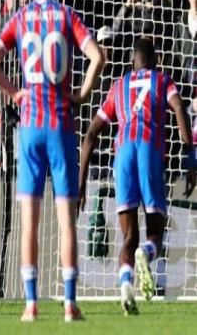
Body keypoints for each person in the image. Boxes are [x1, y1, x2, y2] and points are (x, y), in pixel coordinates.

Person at [0, 0, 104, 322]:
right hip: (61, 125)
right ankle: (69, 303)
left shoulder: (21, 18)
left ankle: (31, 303)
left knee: (29, 222)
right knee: (66, 220)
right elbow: (97, 57)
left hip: (31, 126)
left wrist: (14, 92)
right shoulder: (67, 16)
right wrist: (81, 94)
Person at [79, 39, 195, 315]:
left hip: (122, 155)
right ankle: (147, 252)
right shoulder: (162, 80)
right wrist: (190, 159)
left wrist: (80, 183)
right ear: (155, 62)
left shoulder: (118, 86)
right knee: (155, 232)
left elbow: (91, 134)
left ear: (132, 62)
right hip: (149, 150)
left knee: (128, 236)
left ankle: (125, 288)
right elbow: (180, 108)